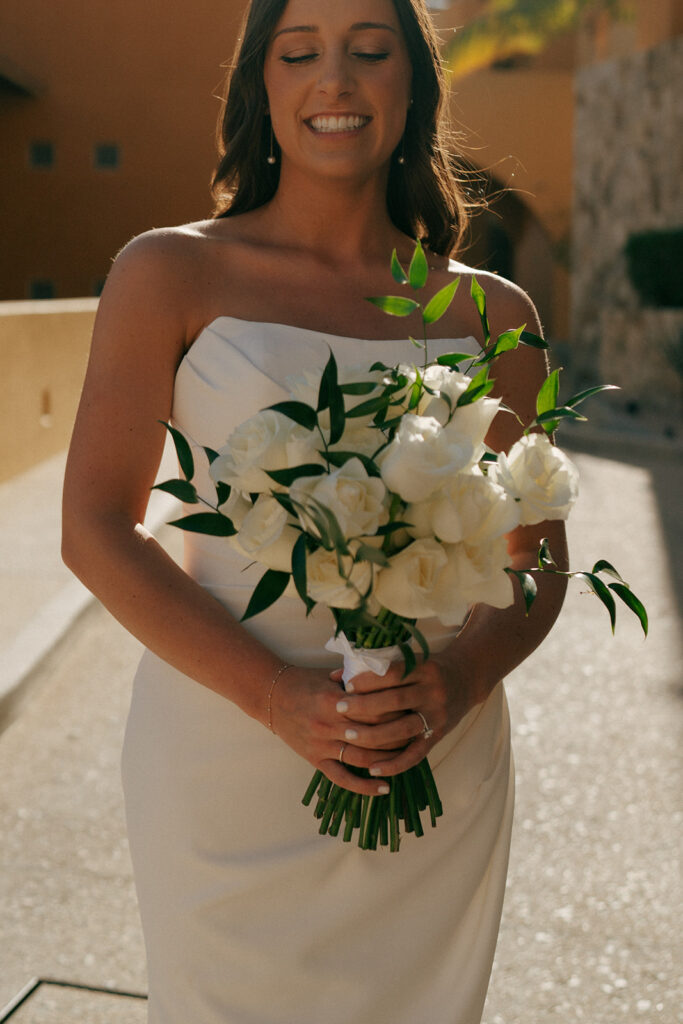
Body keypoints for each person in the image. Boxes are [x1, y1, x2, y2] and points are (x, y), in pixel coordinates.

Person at [62, 1, 568, 1021]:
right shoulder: (166, 272)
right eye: (299, 52)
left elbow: (538, 561)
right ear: (262, 82)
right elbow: (93, 529)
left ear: (414, 88)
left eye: (369, 51)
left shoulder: (495, 316)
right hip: (221, 757)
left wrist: (460, 678)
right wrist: (276, 698)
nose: (332, 79)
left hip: (432, 753)